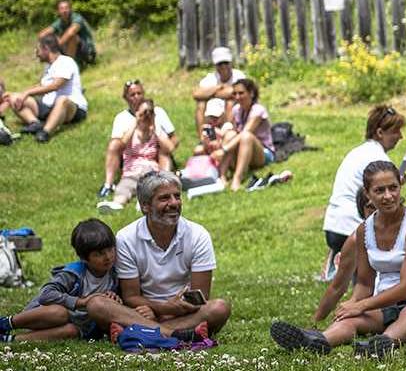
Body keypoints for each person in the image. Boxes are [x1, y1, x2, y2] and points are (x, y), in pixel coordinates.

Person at [271, 161, 406, 357]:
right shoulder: (364, 230)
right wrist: (352, 306)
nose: (388, 196)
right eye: (379, 190)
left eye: (393, 188)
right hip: (386, 304)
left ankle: (381, 344)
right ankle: (316, 341)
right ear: (367, 193)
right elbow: (364, 283)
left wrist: (362, 305)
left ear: (401, 185)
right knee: (350, 319)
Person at [0, 220, 180, 345]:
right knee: (59, 313)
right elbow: (46, 295)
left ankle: (12, 340)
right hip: (45, 314)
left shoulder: (115, 274)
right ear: (84, 258)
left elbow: (115, 303)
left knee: (72, 332)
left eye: (110, 250)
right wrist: (81, 302)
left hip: (79, 324)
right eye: (99, 254)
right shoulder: (74, 273)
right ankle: (7, 323)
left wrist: (115, 299)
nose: (108, 257)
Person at [114, 171, 235, 339]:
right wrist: (162, 308)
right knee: (98, 305)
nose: (174, 203)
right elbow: (131, 297)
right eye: (164, 198)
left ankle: (145, 331)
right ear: (145, 206)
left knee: (219, 308)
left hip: (183, 311)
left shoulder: (198, 235)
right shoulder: (126, 238)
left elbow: (200, 296)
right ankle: (175, 333)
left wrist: (169, 312)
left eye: (177, 196)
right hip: (142, 310)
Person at [321, 105, 406, 282]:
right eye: (396, 131)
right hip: (351, 229)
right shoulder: (378, 158)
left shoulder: (358, 152)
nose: (400, 136)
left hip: (333, 227)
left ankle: (337, 264)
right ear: (380, 132)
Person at [97, 83, 179, 212]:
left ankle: (144, 203)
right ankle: (117, 203)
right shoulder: (128, 126)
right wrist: (136, 122)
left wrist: (154, 127)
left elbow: (170, 147)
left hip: (150, 170)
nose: (146, 116)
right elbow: (121, 144)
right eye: (143, 113)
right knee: (124, 187)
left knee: (150, 187)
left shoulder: (156, 130)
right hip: (131, 170)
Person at [1, 35, 89, 143]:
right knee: (14, 98)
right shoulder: (49, 66)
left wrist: (28, 93)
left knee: (62, 100)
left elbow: (56, 85)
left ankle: (45, 132)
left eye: (38, 50)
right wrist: (20, 94)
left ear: (46, 49)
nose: (36, 54)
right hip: (49, 106)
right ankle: (35, 123)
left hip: (71, 108)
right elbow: (42, 85)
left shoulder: (66, 62)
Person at [198, 76, 274, 193]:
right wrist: (217, 135)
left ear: (251, 93)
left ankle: (237, 179)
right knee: (230, 134)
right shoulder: (236, 110)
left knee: (246, 136)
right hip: (242, 150)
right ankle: (222, 176)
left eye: (241, 93)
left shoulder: (258, 110)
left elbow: (245, 132)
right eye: (235, 94)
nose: (237, 97)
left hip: (263, 153)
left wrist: (223, 150)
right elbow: (232, 132)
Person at [191, 46, 247, 133]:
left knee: (230, 102)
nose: (223, 66)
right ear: (215, 65)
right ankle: (202, 136)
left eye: (226, 63)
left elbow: (233, 93)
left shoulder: (239, 75)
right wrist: (219, 87)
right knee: (201, 104)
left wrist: (210, 94)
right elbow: (196, 94)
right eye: (220, 64)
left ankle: (227, 133)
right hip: (211, 114)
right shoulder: (209, 79)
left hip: (231, 113)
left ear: (231, 63)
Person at [39, 0, 96, 67]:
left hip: (86, 51)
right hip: (68, 50)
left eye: (66, 8)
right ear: (58, 11)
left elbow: (71, 32)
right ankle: (53, 66)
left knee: (72, 37)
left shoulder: (77, 18)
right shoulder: (59, 22)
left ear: (70, 9)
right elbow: (42, 34)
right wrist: (45, 45)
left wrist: (56, 46)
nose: (64, 11)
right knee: (49, 37)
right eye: (62, 8)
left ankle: (69, 67)